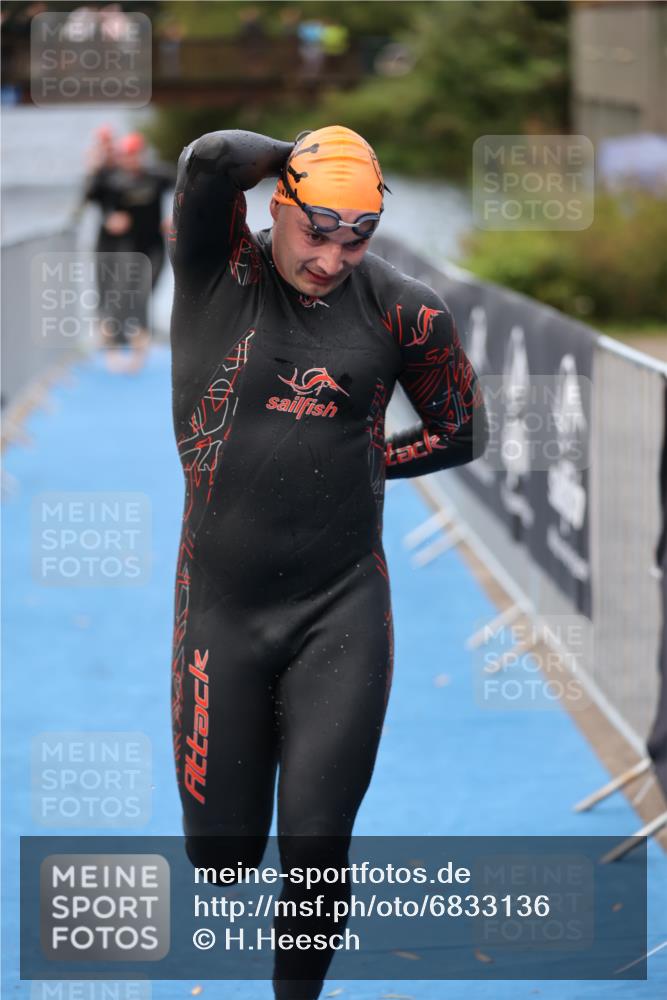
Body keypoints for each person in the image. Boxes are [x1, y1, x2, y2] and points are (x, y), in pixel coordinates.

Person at [168, 125, 489, 999]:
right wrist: (308, 153)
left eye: (359, 237)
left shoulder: (404, 310)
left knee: (316, 845)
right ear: (279, 210)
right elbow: (206, 161)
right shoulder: (216, 273)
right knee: (223, 860)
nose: (335, 257)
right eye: (317, 231)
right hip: (221, 610)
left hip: (339, 608)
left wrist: (366, 461)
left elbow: (462, 432)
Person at [83, 131, 175, 373]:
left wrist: (176, 215)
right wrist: (109, 217)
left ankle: (135, 347)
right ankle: (117, 347)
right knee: (123, 296)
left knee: (144, 293)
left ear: (142, 155)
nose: (130, 160)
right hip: (127, 249)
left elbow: (186, 187)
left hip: (153, 247)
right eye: (126, 156)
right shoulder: (114, 180)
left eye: (134, 155)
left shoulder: (157, 176)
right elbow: (95, 198)